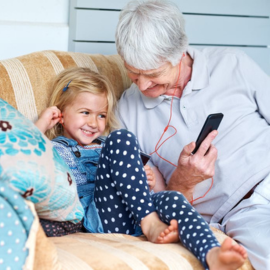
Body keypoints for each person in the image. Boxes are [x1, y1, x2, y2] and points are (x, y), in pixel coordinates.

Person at [35, 67, 247, 270]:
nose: (94, 122)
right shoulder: (55, 148)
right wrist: (44, 123)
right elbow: (24, 155)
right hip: (101, 217)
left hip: (133, 213)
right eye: (85, 112)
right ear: (61, 113)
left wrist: (145, 181)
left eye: (101, 115)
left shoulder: (104, 144)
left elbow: (148, 187)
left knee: (172, 198)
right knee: (122, 137)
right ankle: (150, 223)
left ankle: (212, 255)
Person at [115, 0, 270, 269]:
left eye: (152, 74)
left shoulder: (233, 64)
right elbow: (159, 206)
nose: (142, 85)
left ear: (180, 52)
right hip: (244, 214)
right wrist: (183, 181)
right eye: (132, 72)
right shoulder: (126, 113)